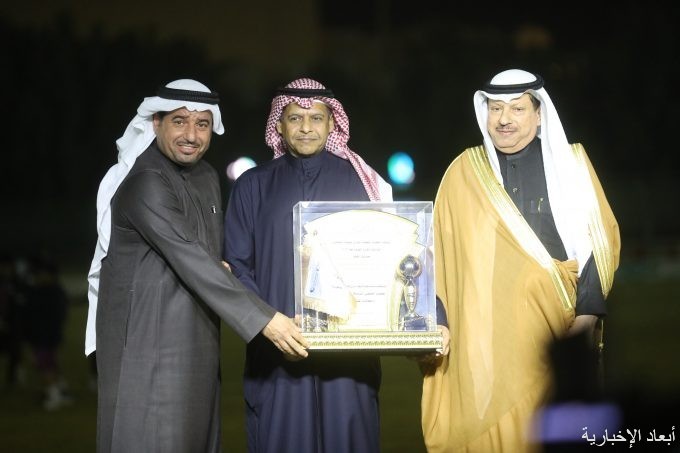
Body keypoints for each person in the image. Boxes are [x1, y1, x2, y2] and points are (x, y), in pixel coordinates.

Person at [85, 79, 308, 453]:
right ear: (156, 122)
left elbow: (214, 260)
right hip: (147, 346)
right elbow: (194, 260)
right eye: (179, 122)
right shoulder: (145, 182)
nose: (191, 135)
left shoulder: (205, 177)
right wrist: (268, 321)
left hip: (199, 339)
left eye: (202, 124)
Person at [421, 69, 620, 452]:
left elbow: (600, 245)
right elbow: (437, 257)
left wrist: (586, 317)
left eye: (517, 108)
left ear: (539, 113)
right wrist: (438, 323)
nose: (504, 119)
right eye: (496, 108)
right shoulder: (463, 173)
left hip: (556, 334)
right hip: (480, 341)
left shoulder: (571, 165)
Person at [223, 77, 393, 453]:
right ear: (279, 125)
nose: (306, 128)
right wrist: (270, 325)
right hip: (276, 354)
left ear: (332, 124)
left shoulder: (361, 183)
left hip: (350, 358)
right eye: (295, 118)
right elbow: (237, 266)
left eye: (316, 118)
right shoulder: (253, 186)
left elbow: (389, 259)